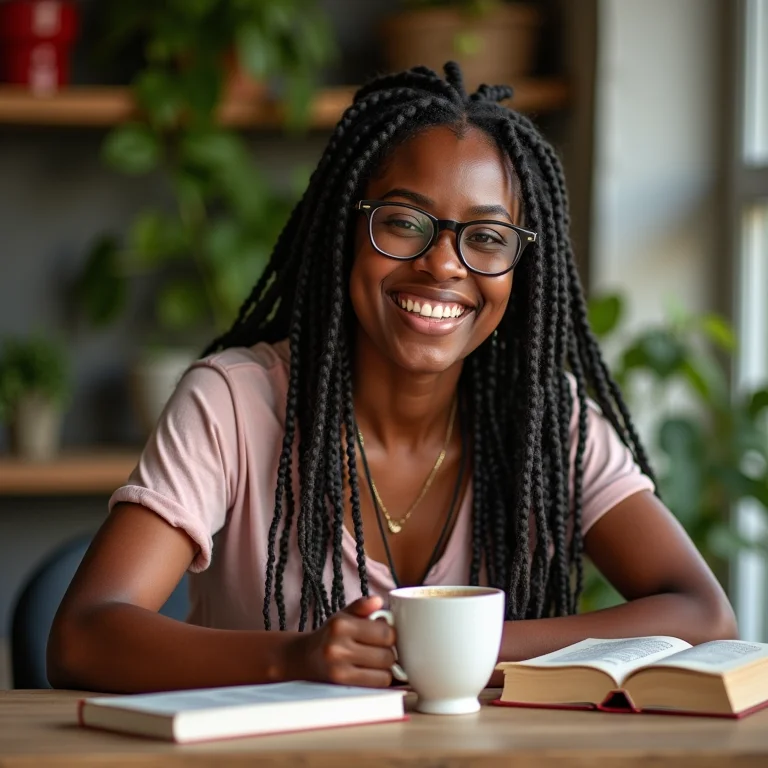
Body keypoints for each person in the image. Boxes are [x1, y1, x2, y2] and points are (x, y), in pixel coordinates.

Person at [48, 63, 737, 693]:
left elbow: (704, 616)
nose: (444, 265)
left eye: (487, 237)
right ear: (348, 229)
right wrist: (295, 659)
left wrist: (457, 646)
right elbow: (82, 636)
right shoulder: (232, 403)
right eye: (404, 223)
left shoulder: (546, 419)